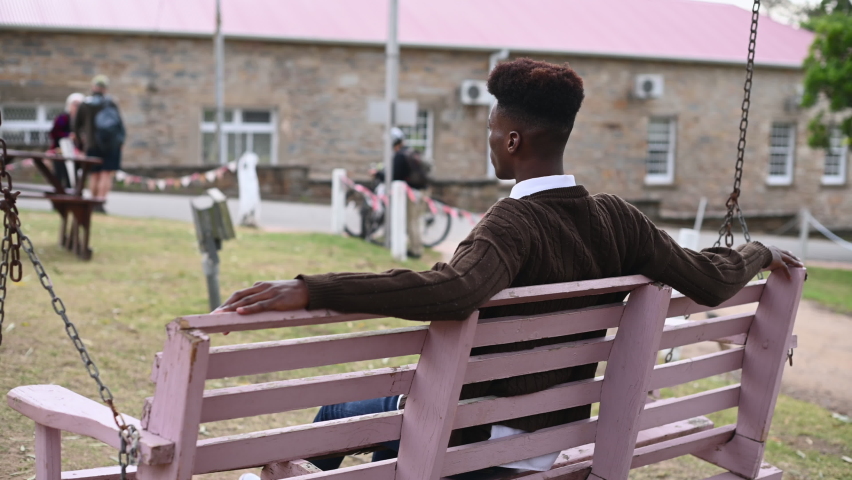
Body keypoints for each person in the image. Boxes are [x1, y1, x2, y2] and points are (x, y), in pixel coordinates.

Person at [217, 59, 802, 476]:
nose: (490, 142)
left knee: (340, 412)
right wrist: (762, 253)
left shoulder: (511, 224)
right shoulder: (619, 219)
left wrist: (310, 288)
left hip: (474, 438)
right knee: (376, 415)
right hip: (551, 435)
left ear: (515, 139)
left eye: (493, 132)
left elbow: (454, 289)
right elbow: (710, 277)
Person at [74, 74, 126, 212]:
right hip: (111, 145)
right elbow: (119, 124)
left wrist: (81, 144)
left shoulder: (85, 104)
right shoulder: (111, 102)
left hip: (92, 145)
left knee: (94, 174)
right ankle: (101, 202)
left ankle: (93, 201)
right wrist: (121, 141)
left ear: (93, 87)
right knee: (106, 174)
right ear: (105, 89)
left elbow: (75, 126)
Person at [390, 127, 429, 258]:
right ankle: (416, 247)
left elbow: (396, 176)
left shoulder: (400, 155)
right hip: (422, 191)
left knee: (411, 222)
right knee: (416, 221)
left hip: (411, 193)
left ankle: (415, 251)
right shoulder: (411, 152)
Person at [49, 92, 85, 189]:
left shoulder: (83, 120)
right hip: (60, 151)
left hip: (76, 154)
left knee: (73, 178)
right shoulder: (62, 118)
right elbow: (54, 133)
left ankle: (72, 198)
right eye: (75, 104)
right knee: (59, 177)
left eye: (79, 105)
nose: (76, 107)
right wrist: (68, 135)